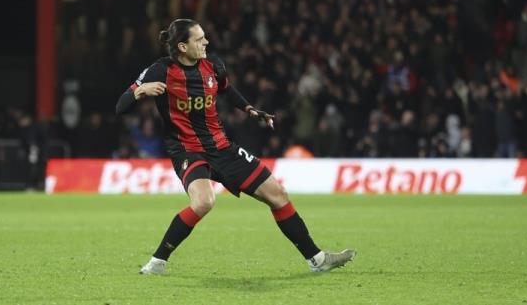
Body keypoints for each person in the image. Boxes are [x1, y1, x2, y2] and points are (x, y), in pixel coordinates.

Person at [115, 19, 356, 275]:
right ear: (183, 46)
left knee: (278, 195)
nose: (206, 42)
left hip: (222, 147)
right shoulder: (159, 71)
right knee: (204, 202)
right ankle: (157, 263)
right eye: (199, 39)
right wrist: (141, 91)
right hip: (187, 150)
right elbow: (121, 106)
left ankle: (317, 259)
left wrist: (250, 109)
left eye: (205, 37)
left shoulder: (214, 65)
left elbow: (227, 90)